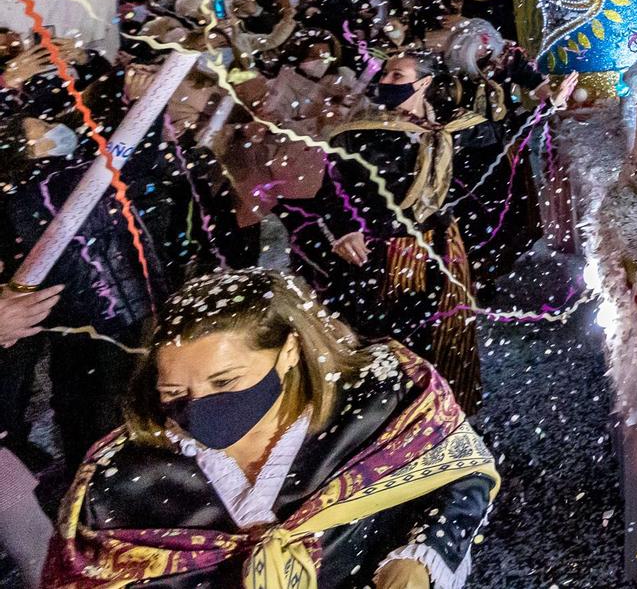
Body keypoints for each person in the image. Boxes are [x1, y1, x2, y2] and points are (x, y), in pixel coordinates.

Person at [46, 268, 497, 589]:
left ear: (288, 351)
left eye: (225, 382)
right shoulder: (120, 483)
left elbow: (461, 474)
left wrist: (421, 559)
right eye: (173, 391)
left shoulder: (382, 402)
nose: (199, 408)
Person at [312, 51, 486, 410]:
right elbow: (332, 189)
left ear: (423, 83)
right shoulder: (360, 132)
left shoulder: (451, 128)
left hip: (440, 249)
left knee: (442, 333)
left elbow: (502, 136)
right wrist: (345, 230)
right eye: (386, 74)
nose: (386, 82)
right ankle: (385, 416)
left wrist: (548, 100)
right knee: (383, 340)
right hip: (382, 255)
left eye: (397, 75)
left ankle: (439, 410)